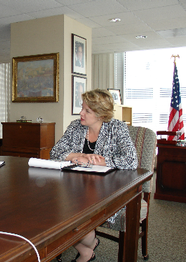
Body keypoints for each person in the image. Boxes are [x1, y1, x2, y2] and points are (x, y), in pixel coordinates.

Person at [50, 89, 137, 262]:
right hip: (72, 186)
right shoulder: (75, 126)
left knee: (78, 216)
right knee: (52, 210)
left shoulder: (116, 128)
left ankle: (86, 248)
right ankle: (86, 249)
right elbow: (55, 152)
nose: (81, 113)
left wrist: (101, 161)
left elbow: (131, 160)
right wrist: (79, 156)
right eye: (82, 108)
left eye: (87, 111)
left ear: (101, 115)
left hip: (107, 188)